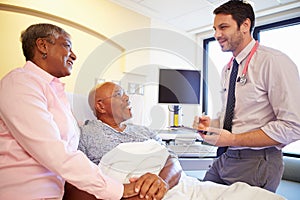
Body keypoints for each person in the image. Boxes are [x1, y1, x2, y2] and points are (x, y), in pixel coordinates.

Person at [0, 23, 167, 200]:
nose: (74, 55)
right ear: (43, 46)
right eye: (67, 46)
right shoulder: (19, 82)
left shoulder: (57, 95)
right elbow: (54, 151)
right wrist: (120, 190)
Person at [71, 82, 284, 200]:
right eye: (119, 94)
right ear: (100, 106)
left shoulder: (144, 131)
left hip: (175, 185)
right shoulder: (88, 134)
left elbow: (172, 160)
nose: (127, 98)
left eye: (126, 93)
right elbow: (77, 179)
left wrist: (162, 182)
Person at [193, 0, 300, 193]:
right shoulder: (228, 69)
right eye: (215, 28)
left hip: (257, 161)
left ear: (245, 25)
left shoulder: (273, 62)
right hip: (225, 157)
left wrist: (233, 140)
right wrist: (212, 124)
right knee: (199, 194)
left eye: (223, 27)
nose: (216, 35)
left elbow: (293, 126)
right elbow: (234, 116)